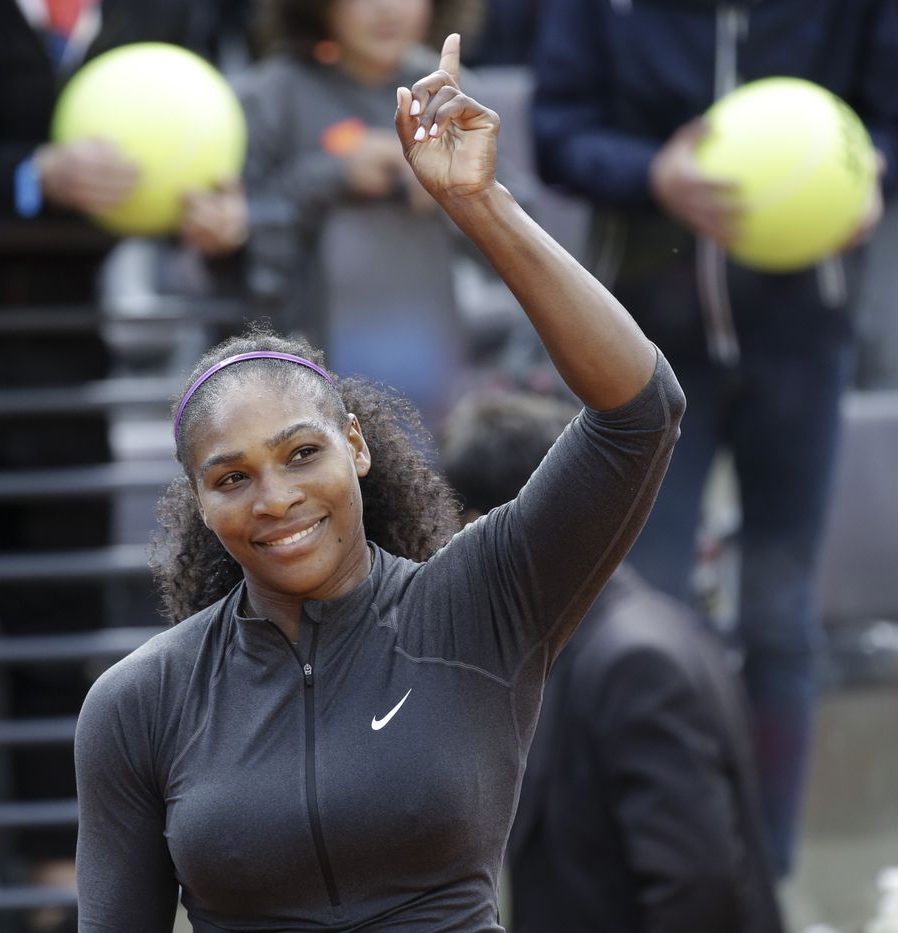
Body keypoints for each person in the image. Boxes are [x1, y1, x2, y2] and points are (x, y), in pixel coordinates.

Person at [73, 34, 685, 930]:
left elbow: (640, 412)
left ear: (356, 446)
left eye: (301, 453)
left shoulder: (483, 600)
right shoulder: (140, 703)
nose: (276, 496)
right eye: (232, 476)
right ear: (198, 504)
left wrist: (481, 206)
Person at [0, 1, 246, 926]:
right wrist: (34, 174)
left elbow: (198, 160)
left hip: (68, 364)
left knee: (58, 633)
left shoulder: (160, 15)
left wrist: (220, 220)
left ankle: (52, 898)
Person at [531, 0, 898, 879]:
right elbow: (557, 133)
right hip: (642, 349)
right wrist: (651, 174)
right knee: (646, 618)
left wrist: (869, 175)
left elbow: (886, 116)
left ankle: (760, 871)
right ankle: (653, 862)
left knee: (780, 617)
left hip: (800, 342)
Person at [440, 391, 784, 932]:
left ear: (494, 527)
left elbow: (698, 892)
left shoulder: (634, 662)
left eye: (457, 531)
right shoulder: (596, 639)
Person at [238, 0, 479, 427]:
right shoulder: (273, 95)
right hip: (298, 368)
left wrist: (454, 195)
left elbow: (524, 227)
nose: (386, 10)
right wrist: (335, 176)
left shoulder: (453, 95)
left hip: (441, 370)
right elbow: (237, 231)